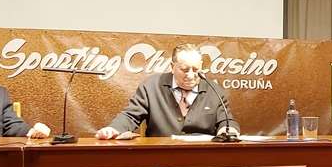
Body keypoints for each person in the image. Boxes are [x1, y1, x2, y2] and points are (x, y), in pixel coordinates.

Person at [95, 43, 239, 138]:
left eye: (196, 70)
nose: (190, 75)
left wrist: (229, 131)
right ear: (172, 66)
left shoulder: (214, 90)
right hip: (159, 158)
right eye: (184, 69)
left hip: (202, 159)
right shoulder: (151, 86)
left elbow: (226, 121)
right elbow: (130, 116)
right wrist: (113, 129)